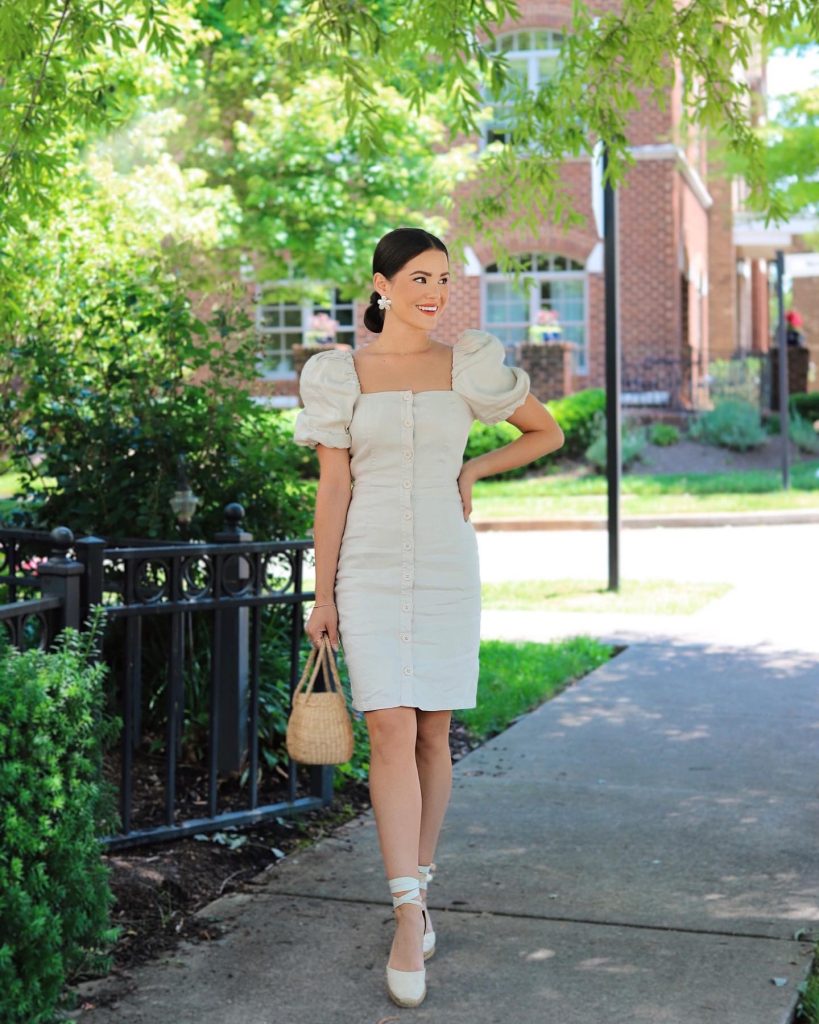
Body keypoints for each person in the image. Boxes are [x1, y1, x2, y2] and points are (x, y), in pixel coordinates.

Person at [292, 227, 564, 1008]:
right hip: (369, 565)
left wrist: (475, 465)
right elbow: (334, 488)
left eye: (443, 278)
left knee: (432, 732)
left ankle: (420, 884)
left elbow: (544, 431)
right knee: (387, 726)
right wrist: (322, 594)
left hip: (446, 563)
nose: (435, 292)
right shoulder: (340, 374)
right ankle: (406, 917)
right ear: (381, 285)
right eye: (419, 277)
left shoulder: (466, 365)